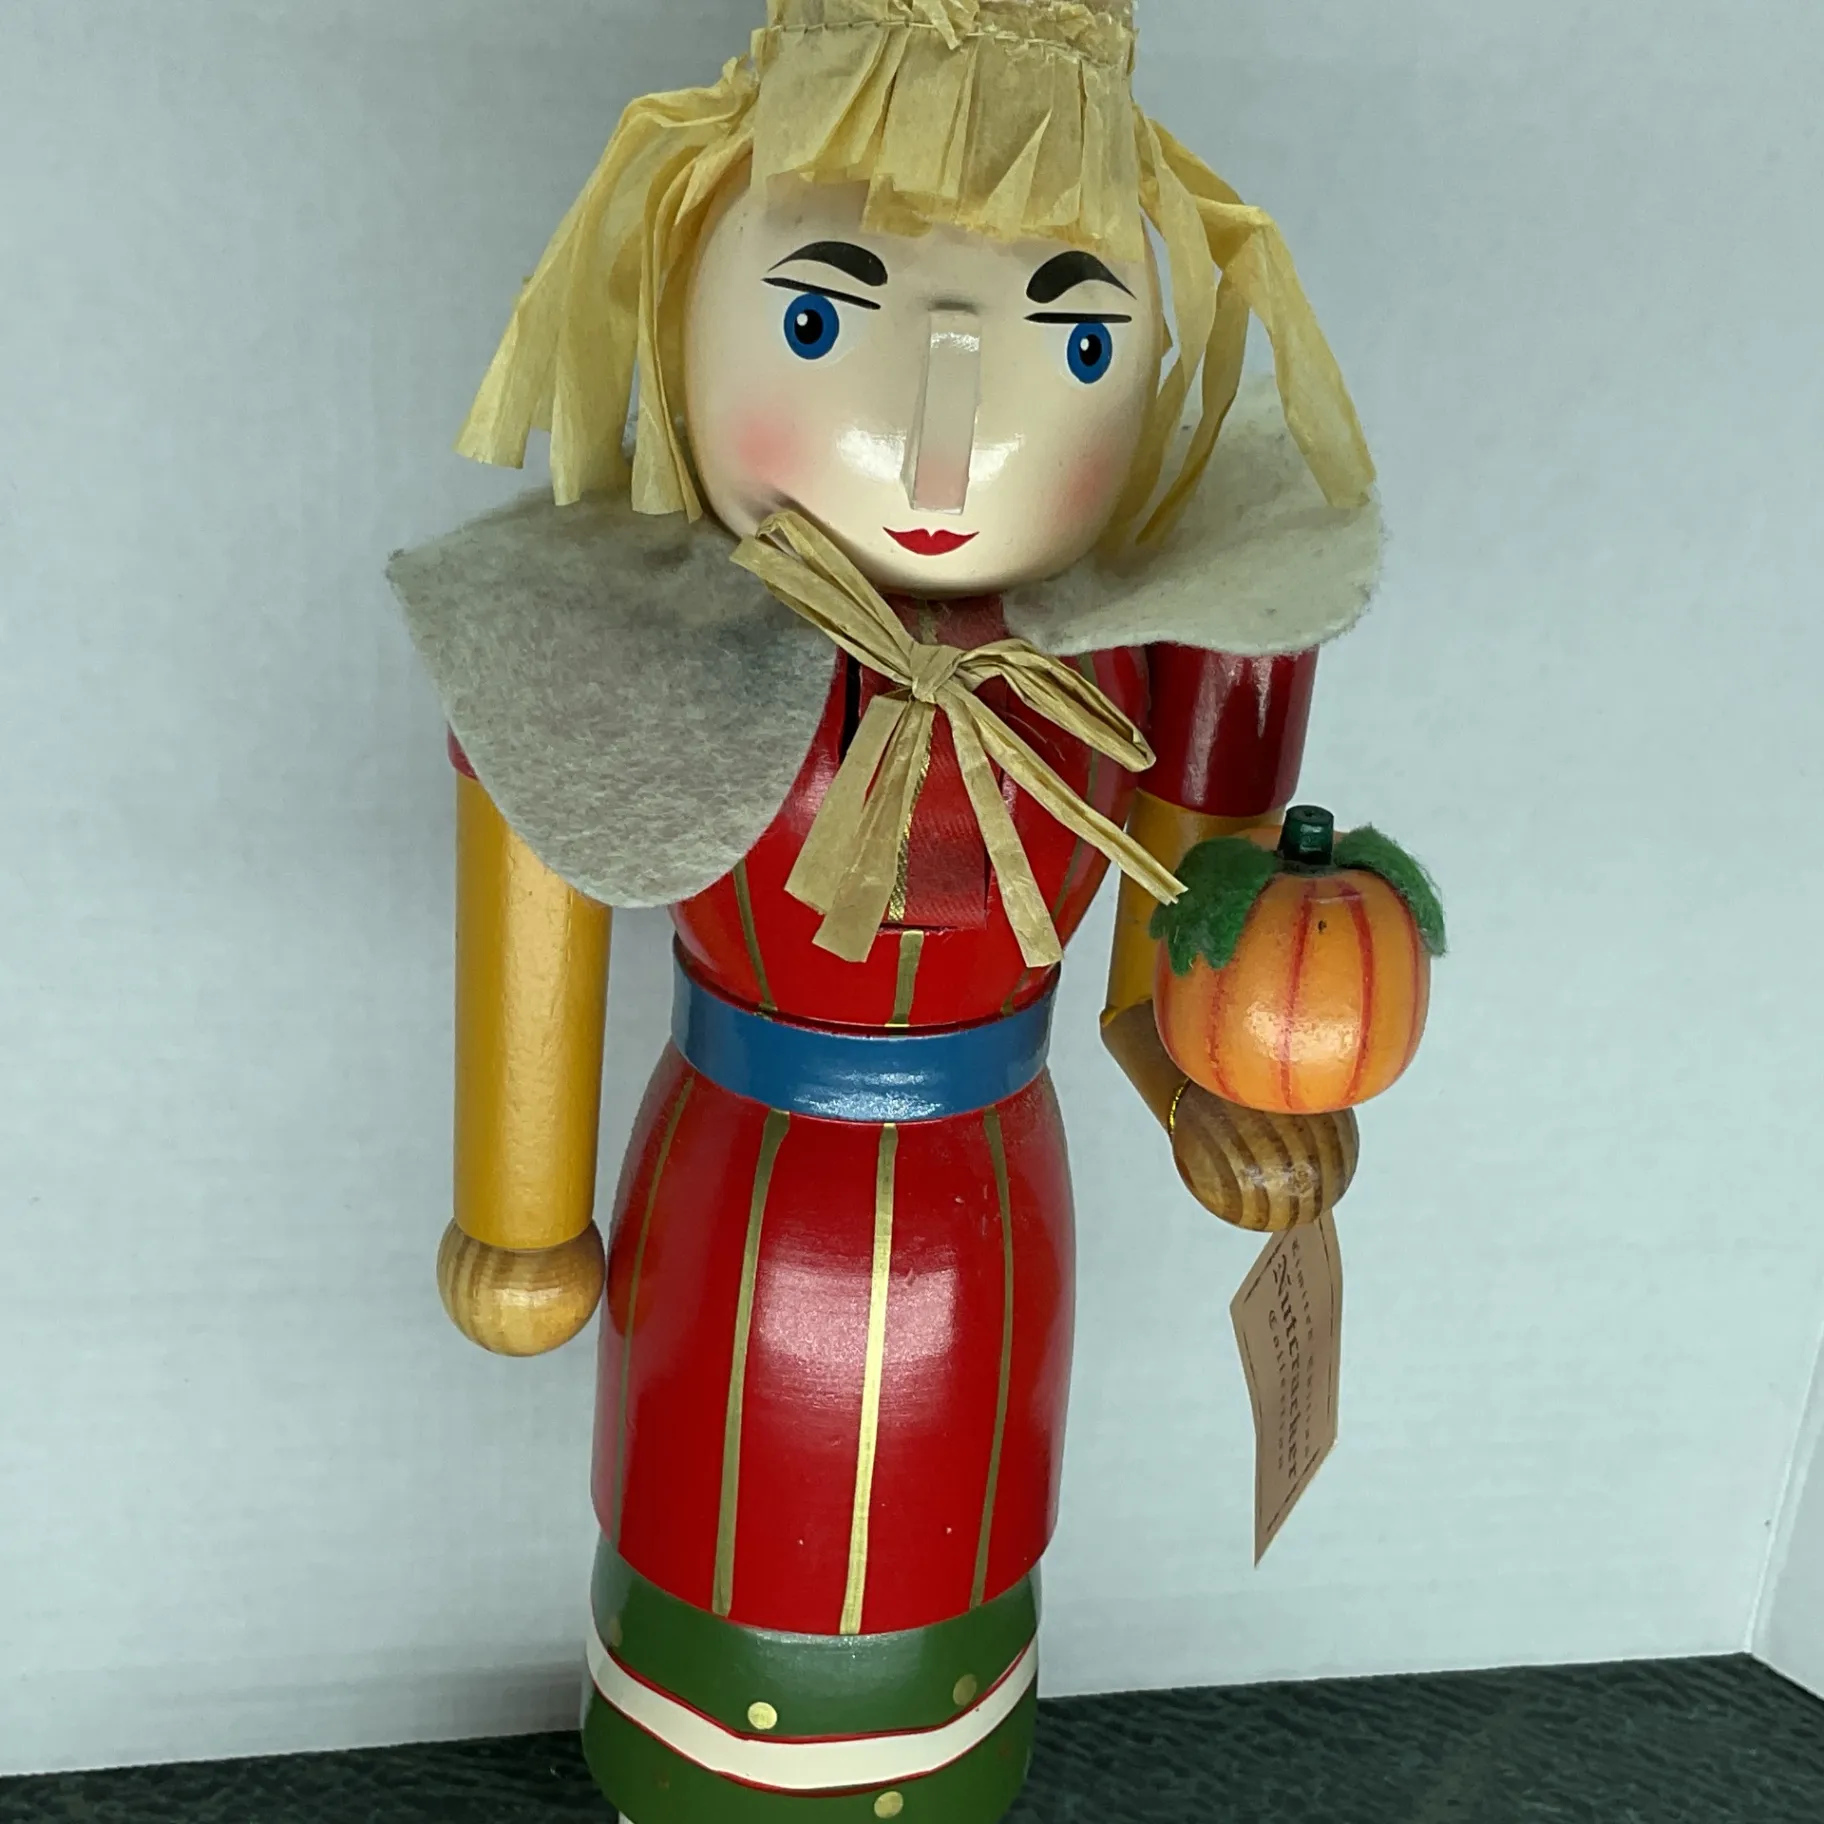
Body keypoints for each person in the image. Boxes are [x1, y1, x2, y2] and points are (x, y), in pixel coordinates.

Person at [390, 4, 1381, 1818]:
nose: (943, 449)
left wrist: (1227, 1095)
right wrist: (518, 1220)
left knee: (963, 1533)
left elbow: (1183, 974)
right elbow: (534, 876)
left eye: (1074, 339)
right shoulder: (620, 643)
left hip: (990, 1218)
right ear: (678, 297)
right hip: (735, 1212)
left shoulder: (1167, 656)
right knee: (702, 1525)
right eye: (820, 322)